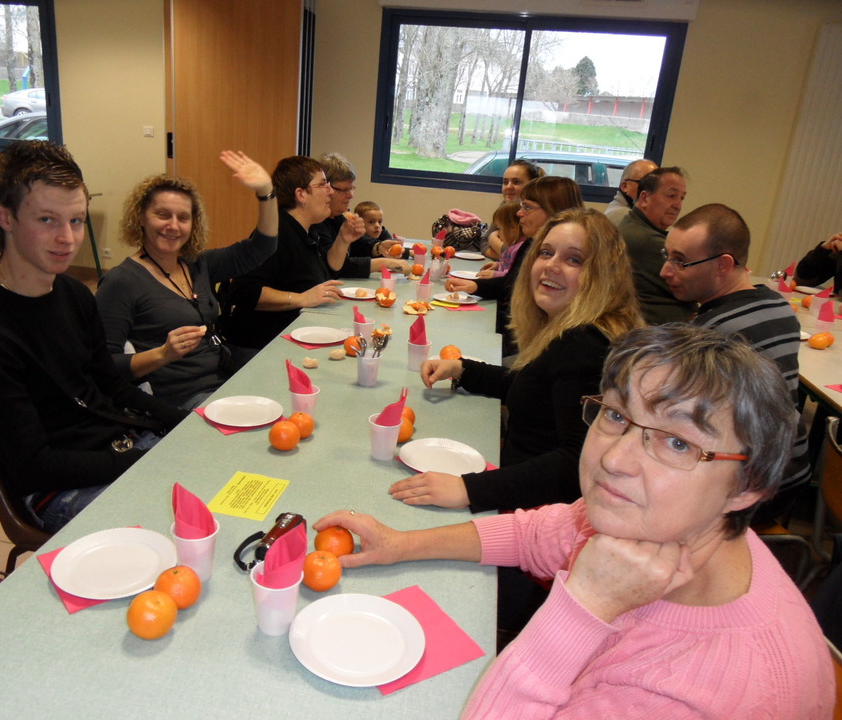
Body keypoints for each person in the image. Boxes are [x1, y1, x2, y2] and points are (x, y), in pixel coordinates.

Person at [318, 324, 835, 719]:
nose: (615, 458)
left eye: (678, 443)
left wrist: (585, 608)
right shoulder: (657, 525)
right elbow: (534, 533)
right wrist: (400, 543)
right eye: (617, 415)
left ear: (747, 487)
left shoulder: (693, 696)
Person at [0, 141, 187, 533]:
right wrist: (143, 463)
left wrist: (187, 422)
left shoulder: (73, 293)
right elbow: (32, 465)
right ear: (4, 216)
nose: (67, 238)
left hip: (118, 448)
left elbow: (112, 385)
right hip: (57, 488)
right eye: (47, 220)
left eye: (76, 221)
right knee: (185, 530)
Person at [394, 208, 642, 514]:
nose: (551, 265)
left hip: (536, 514)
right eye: (546, 252)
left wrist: (469, 489)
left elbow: (576, 462)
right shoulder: (571, 331)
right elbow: (535, 389)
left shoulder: (583, 345)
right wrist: (464, 370)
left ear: (602, 274)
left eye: (574, 259)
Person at [659, 203, 810, 519]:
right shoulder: (778, 305)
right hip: (794, 472)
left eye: (680, 261)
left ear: (723, 265)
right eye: (667, 255)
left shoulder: (712, 333)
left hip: (756, 490)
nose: (665, 271)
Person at [95, 152, 277, 409]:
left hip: (224, 380)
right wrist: (163, 354)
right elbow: (104, 367)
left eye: (183, 218)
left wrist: (266, 191)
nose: (173, 226)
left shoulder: (198, 264)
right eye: (162, 214)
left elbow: (263, 246)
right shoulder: (121, 282)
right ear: (141, 218)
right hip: (180, 399)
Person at [219, 155, 359, 361]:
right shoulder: (278, 233)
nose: (330, 191)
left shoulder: (308, 230)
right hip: (262, 349)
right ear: (301, 194)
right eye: (323, 185)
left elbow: (321, 276)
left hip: (292, 339)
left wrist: (343, 239)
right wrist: (301, 299)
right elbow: (245, 292)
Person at [447, 177, 585, 357]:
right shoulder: (530, 244)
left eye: (527, 207)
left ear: (553, 210)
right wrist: (475, 286)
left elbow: (511, 287)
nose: (519, 213)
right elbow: (512, 283)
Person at [618, 166, 695, 325]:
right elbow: (696, 287)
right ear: (645, 198)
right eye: (671, 196)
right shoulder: (646, 240)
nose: (678, 205)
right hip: (660, 333)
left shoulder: (633, 224)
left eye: (681, 198)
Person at [313, 152, 410, 277]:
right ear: (327, 189)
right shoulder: (316, 222)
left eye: (352, 188)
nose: (351, 195)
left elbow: (357, 242)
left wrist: (378, 247)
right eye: (344, 189)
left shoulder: (337, 217)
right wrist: (384, 263)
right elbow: (336, 266)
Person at [481, 159, 544, 261]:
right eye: (505, 182)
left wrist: (492, 239)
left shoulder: (537, 213)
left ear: (532, 185)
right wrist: (509, 258)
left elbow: (526, 257)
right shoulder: (505, 207)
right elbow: (484, 243)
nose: (509, 187)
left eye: (516, 182)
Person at [603, 158, 658, 226]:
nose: (653, 190)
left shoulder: (618, 209)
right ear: (625, 186)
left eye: (657, 185)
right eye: (646, 183)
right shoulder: (624, 216)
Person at [476, 201, 521, 279]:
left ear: (513, 227)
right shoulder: (511, 246)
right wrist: (498, 265)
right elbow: (508, 265)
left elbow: (514, 275)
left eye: (499, 228)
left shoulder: (519, 250)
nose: (498, 233)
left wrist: (495, 274)